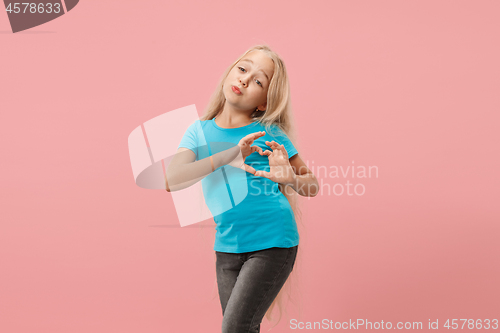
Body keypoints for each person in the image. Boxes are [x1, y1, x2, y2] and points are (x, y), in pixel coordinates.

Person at [166, 45, 319, 333]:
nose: (245, 80)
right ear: (229, 74)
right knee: (242, 328)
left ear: (263, 103)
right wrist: (231, 154)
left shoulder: (269, 133)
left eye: (259, 81)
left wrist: (290, 178)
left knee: (235, 328)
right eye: (243, 69)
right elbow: (172, 180)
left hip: (272, 242)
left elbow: (312, 186)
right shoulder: (198, 132)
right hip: (227, 246)